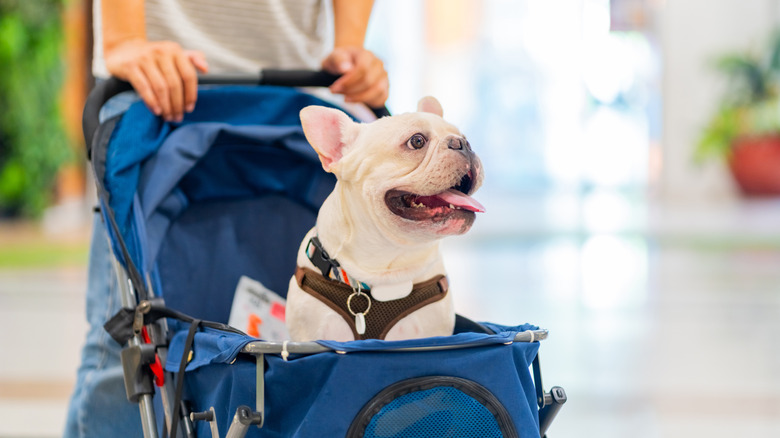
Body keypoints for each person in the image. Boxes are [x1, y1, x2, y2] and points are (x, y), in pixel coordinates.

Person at [64, 1, 389, 436]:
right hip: (155, 90)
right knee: (127, 346)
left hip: (300, 99)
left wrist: (350, 47)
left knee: (293, 340)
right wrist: (124, 41)